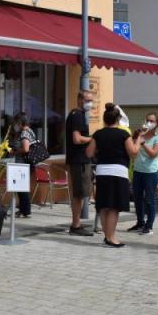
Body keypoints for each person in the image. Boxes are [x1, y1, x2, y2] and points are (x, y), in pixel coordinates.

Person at [86, 103, 139, 248]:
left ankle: (106, 236)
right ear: (118, 119)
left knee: (103, 205)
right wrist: (139, 141)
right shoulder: (124, 134)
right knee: (114, 206)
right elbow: (133, 153)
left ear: (105, 119)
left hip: (102, 171)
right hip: (118, 172)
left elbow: (89, 153)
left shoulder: (98, 134)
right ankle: (111, 237)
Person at [129, 113, 158, 235]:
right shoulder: (142, 134)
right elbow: (133, 151)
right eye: (147, 120)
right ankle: (140, 222)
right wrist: (137, 137)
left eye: (152, 121)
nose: (149, 123)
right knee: (137, 198)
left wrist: (143, 142)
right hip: (138, 170)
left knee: (150, 199)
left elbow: (153, 154)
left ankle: (149, 226)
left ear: (157, 123)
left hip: (150, 172)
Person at [66, 90, 95, 236]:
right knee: (79, 194)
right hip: (79, 160)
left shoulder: (80, 115)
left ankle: (76, 224)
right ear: (79, 100)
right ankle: (76, 225)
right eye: (87, 100)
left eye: (91, 100)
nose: (90, 103)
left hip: (81, 159)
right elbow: (77, 139)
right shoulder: (77, 115)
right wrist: (93, 139)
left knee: (83, 193)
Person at [13, 113, 35, 218]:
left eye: (16, 123)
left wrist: (16, 151)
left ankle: (25, 210)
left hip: (23, 164)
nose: (15, 125)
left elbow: (26, 149)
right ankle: (23, 210)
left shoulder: (25, 133)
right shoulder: (30, 131)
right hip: (26, 163)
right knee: (21, 187)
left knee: (22, 188)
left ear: (20, 123)